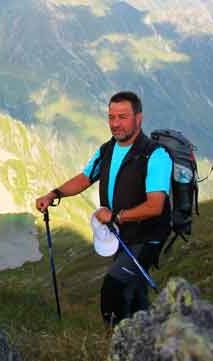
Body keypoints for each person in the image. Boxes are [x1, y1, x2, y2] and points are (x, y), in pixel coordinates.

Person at [35, 91, 172, 326]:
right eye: (111, 117)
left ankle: (118, 342)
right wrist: (54, 194)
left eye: (123, 117)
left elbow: (155, 205)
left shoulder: (155, 155)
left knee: (115, 287)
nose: (115, 124)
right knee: (135, 295)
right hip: (121, 235)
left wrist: (117, 216)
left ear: (138, 118)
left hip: (146, 238)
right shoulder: (107, 150)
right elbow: (85, 178)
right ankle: (147, 342)